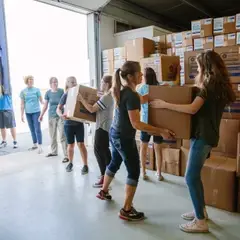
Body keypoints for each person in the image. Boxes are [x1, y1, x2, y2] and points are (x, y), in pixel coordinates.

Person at [150, 50, 236, 233]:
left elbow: (191, 109)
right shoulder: (218, 86)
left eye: (198, 66)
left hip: (203, 136)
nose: (197, 69)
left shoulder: (208, 86)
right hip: (209, 135)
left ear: (205, 67)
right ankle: (201, 211)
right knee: (194, 175)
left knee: (190, 176)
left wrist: (164, 105)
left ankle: (200, 221)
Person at [97, 61, 174, 221]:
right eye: (139, 73)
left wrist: (163, 92)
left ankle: (103, 191)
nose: (141, 75)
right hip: (124, 138)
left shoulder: (124, 90)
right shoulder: (131, 95)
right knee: (134, 171)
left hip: (115, 133)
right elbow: (136, 124)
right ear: (131, 76)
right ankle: (126, 209)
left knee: (114, 163)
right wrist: (161, 131)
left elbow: (143, 99)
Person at [78, 75, 114, 188]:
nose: (100, 84)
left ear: (107, 84)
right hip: (104, 127)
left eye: (102, 82)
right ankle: (109, 174)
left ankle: (104, 177)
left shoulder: (107, 97)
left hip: (102, 128)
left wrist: (81, 99)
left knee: (98, 151)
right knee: (105, 151)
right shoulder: (108, 96)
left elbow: (91, 109)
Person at [137, 67, 165, 181]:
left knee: (143, 147)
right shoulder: (159, 87)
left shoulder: (142, 88)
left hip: (145, 121)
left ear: (145, 77)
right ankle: (159, 173)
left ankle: (143, 171)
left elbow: (138, 102)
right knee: (158, 147)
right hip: (158, 122)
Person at [57, 76, 88, 174]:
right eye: (71, 82)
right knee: (70, 145)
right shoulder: (65, 95)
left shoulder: (80, 94)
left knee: (81, 144)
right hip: (68, 124)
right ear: (67, 84)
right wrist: (61, 115)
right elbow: (58, 109)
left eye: (75, 82)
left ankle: (85, 165)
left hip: (78, 123)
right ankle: (70, 163)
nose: (74, 83)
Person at [39, 77, 68, 162]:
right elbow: (45, 105)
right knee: (52, 135)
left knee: (62, 135)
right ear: (50, 84)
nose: (55, 83)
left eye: (56, 82)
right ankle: (54, 151)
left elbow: (65, 103)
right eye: (53, 82)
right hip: (51, 116)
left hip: (60, 116)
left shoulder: (61, 91)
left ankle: (66, 155)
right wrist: (41, 115)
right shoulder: (48, 93)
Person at [20, 75, 44, 154]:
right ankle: (35, 144)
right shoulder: (23, 91)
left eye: (32, 79)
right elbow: (22, 104)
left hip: (36, 112)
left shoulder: (36, 90)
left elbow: (41, 101)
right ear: (27, 81)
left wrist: (47, 105)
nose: (31, 80)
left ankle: (40, 146)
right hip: (28, 113)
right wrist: (22, 115)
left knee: (37, 129)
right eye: (30, 79)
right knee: (32, 129)